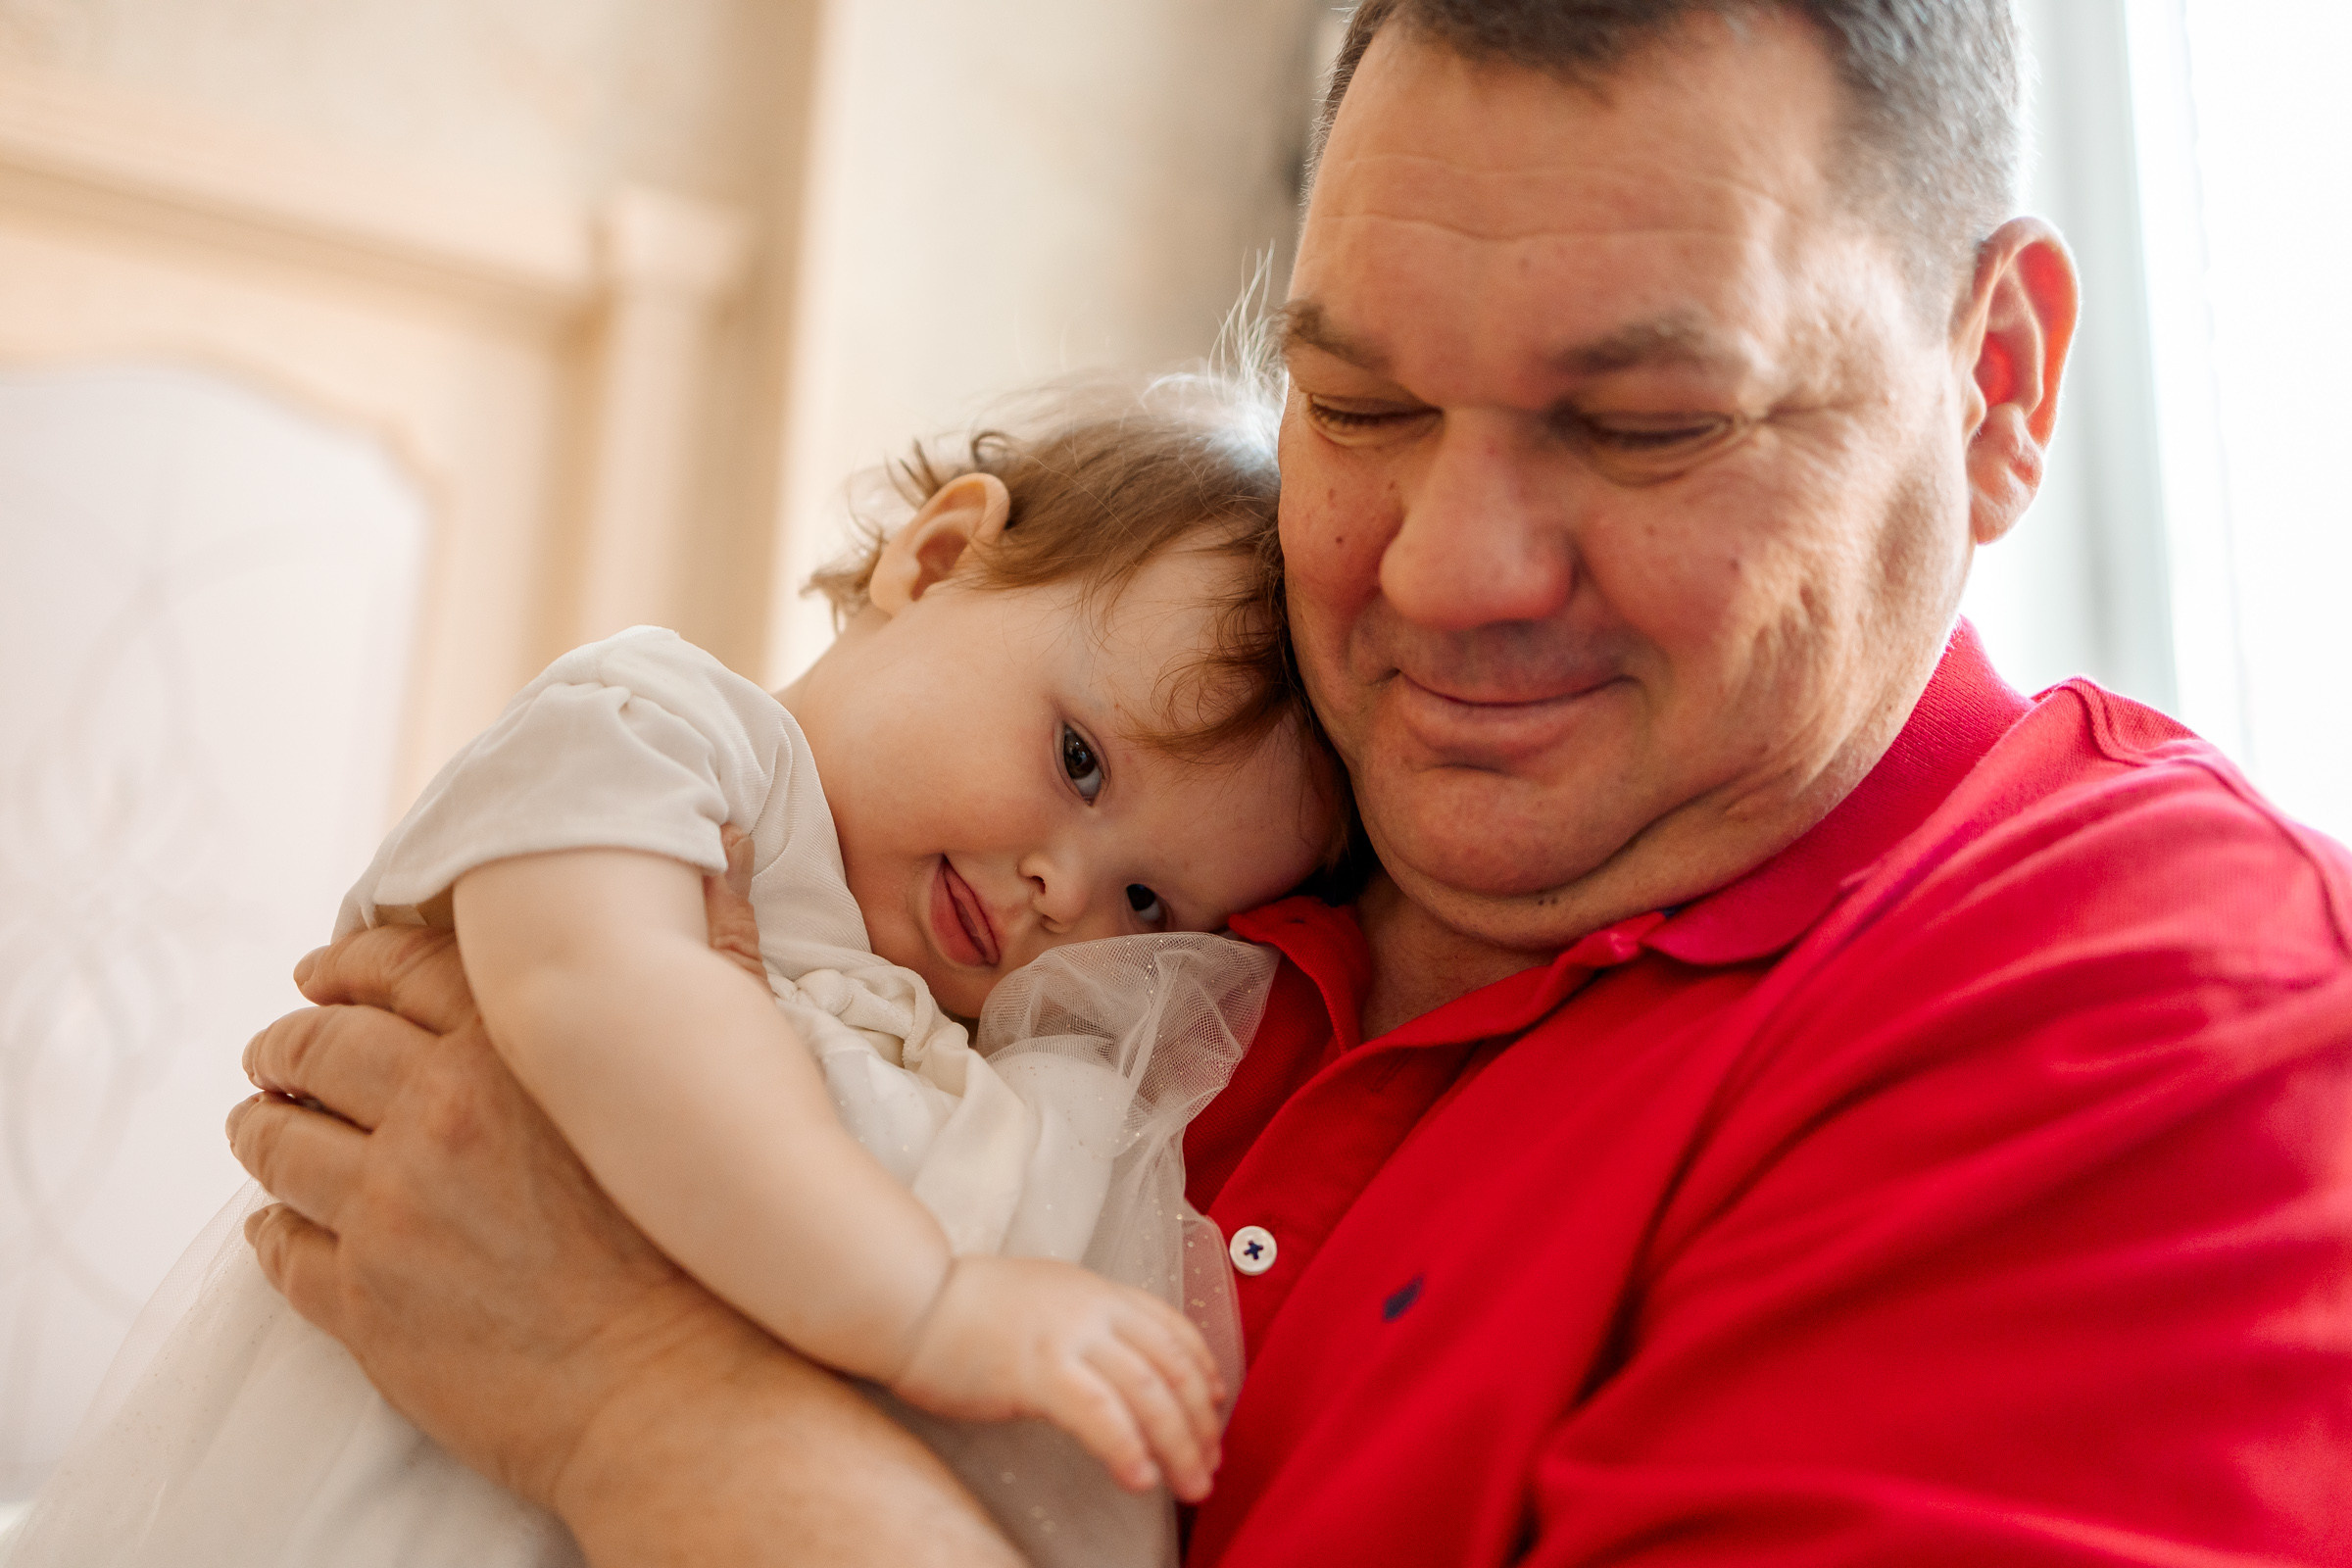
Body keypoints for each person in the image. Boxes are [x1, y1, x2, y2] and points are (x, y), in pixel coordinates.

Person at [214, 2, 2352, 1564]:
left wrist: (633, 1386)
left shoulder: (2170, 1007)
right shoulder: (1224, 801)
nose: (1442, 574)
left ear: (1998, 385)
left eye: (1642, 424)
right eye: (1360, 399)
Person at [10, 379, 1346, 1568]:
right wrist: (930, 1307)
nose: (1066, 887)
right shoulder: (662, 741)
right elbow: (611, 1007)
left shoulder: (974, 1059)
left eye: (1150, 901)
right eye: (1079, 760)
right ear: (934, 559)